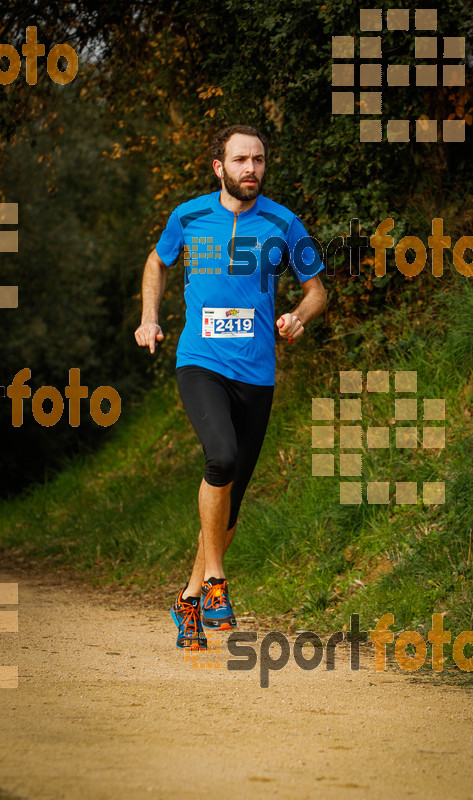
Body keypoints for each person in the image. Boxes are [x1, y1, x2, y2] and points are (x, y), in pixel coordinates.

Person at [135, 124, 327, 650]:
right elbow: (157, 261)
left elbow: (317, 290)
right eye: (241, 160)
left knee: (232, 498)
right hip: (200, 361)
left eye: (259, 160)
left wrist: (298, 316)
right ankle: (218, 581)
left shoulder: (285, 224)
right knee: (219, 458)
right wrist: (150, 317)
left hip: (256, 373)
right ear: (219, 166)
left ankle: (190, 598)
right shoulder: (189, 215)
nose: (251, 169)